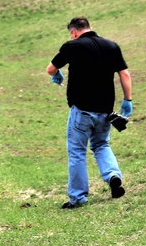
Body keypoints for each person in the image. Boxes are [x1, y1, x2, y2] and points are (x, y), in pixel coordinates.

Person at [46, 16, 132, 209]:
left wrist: (57, 73)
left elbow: (51, 68)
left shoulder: (72, 46)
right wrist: (127, 100)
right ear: (89, 27)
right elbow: (124, 73)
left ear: (74, 32)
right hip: (105, 111)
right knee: (101, 144)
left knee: (77, 151)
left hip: (82, 110)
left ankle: (77, 197)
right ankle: (113, 175)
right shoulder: (111, 46)